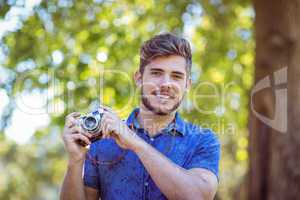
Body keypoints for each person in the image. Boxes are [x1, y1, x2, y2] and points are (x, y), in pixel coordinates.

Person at [60, 33, 220, 200]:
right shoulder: (101, 140)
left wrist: (135, 143)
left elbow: (198, 196)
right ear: (138, 78)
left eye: (176, 76)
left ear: (187, 85)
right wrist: (75, 161)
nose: (166, 84)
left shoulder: (204, 140)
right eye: (157, 73)